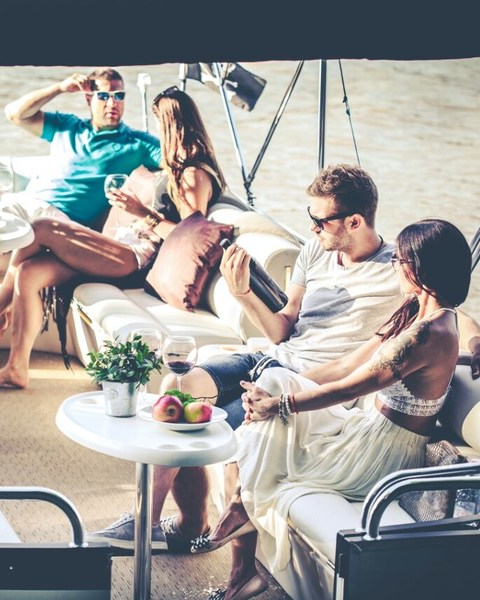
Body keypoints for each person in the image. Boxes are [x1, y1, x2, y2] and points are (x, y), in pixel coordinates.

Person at [91, 164, 480, 553]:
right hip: (270, 359)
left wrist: (477, 342)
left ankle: (184, 529)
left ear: (355, 221)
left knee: (214, 425)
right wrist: (242, 293)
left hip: (308, 380)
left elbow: (448, 309)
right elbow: (281, 329)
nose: (311, 227)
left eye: (320, 221)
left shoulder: (400, 267)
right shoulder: (314, 251)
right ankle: (166, 521)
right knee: (178, 387)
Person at [190, 218, 471, 600]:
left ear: (421, 268)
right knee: (275, 379)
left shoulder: (428, 335)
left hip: (380, 453)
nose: (394, 265)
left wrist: (280, 405)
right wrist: (276, 392)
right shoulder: (415, 312)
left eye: (400, 259)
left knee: (269, 420)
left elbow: (353, 386)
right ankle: (242, 523)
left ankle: (242, 523)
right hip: (364, 427)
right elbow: (351, 366)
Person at [0, 85, 226, 389]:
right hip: (124, 246)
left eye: (158, 122)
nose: (156, 129)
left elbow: (188, 236)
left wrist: (142, 213)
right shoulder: (176, 166)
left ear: (170, 124)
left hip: (135, 260)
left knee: (40, 227)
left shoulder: (194, 174)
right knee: (29, 272)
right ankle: (16, 368)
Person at [0, 68, 161, 378]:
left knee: (30, 234)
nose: (113, 103)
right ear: (88, 98)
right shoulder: (67, 126)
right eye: (104, 95)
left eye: (119, 95)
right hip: (26, 202)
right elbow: (15, 113)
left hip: (60, 223)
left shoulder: (137, 143)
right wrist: (60, 87)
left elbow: (180, 159)